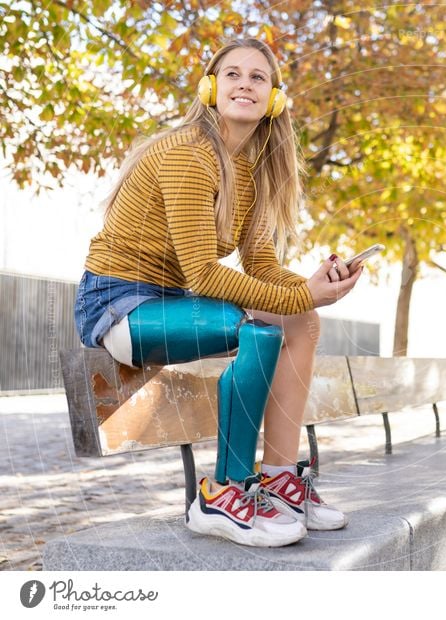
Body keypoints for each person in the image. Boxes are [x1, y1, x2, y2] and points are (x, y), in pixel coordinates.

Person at [73, 38, 363, 547]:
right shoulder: (189, 153)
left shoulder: (248, 171)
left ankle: (276, 482)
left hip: (168, 303)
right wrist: (305, 295)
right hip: (118, 306)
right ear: (211, 87)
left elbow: (261, 265)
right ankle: (222, 494)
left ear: (274, 98)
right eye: (232, 74)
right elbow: (205, 276)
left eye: (258, 77)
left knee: (299, 321)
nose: (244, 84)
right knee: (257, 326)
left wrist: (315, 287)